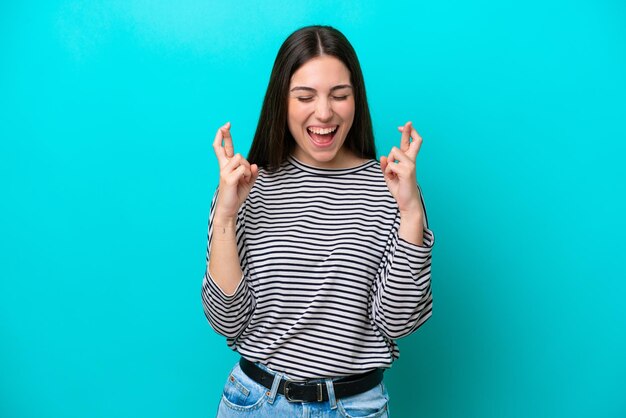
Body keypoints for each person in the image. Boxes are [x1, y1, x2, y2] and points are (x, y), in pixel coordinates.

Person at [202, 25, 434, 417]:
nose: (324, 112)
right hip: (254, 403)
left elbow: (398, 323)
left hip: (354, 407)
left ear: (356, 99)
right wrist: (225, 215)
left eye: (339, 95)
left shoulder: (391, 188)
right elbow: (226, 321)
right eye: (305, 96)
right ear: (282, 101)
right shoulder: (245, 185)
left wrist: (411, 210)